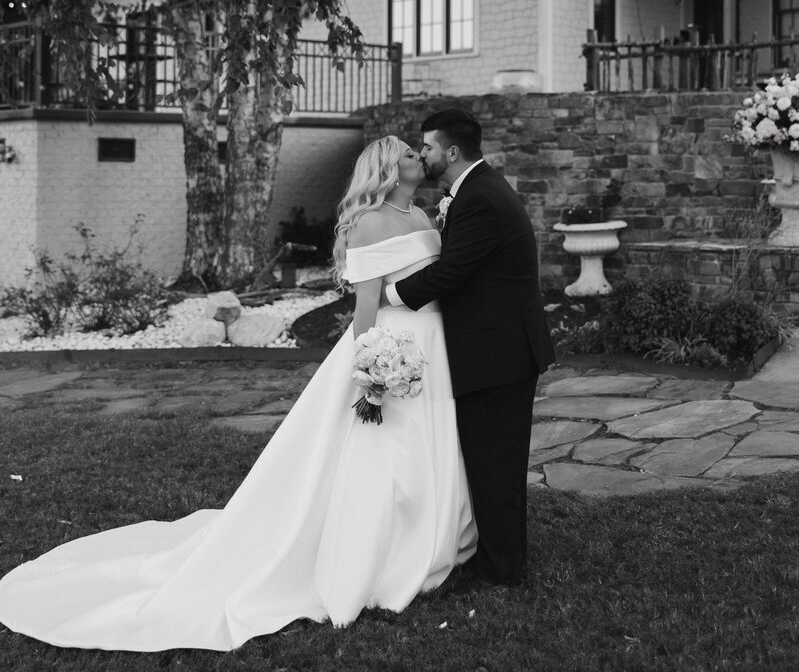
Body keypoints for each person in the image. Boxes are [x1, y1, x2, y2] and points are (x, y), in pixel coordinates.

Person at [0, 137, 476, 652]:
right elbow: (365, 309)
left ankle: (429, 541)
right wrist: (371, 368)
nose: (417, 158)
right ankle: (376, 559)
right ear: (387, 169)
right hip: (386, 349)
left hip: (431, 349)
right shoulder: (369, 223)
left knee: (428, 444)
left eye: (416, 151)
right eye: (408, 154)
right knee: (383, 457)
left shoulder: (427, 220)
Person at [385, 108, 555, 591]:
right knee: (489, 460)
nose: (423, 155)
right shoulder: (476, 190)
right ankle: (498, 557)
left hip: (499, 352)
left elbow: (452, 271)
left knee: (495, 464)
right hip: (497, 347)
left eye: (429, 148)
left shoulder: (479, 197)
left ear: (452, 152)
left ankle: (501, 570)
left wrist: (390, 297)